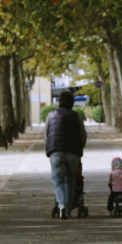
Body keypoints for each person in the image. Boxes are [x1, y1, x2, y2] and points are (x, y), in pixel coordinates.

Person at [45, 91, 87, 220]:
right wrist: (81, 147)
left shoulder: (50, 115)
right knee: (70, 181)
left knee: (58, 181)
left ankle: (61, 205)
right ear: (72, 103)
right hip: (73, 152)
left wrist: (50, 147)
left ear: (59, 102)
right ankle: (68, 210)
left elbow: (47, 134)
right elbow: (83, 134)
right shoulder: (76, 116)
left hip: (56, 151)